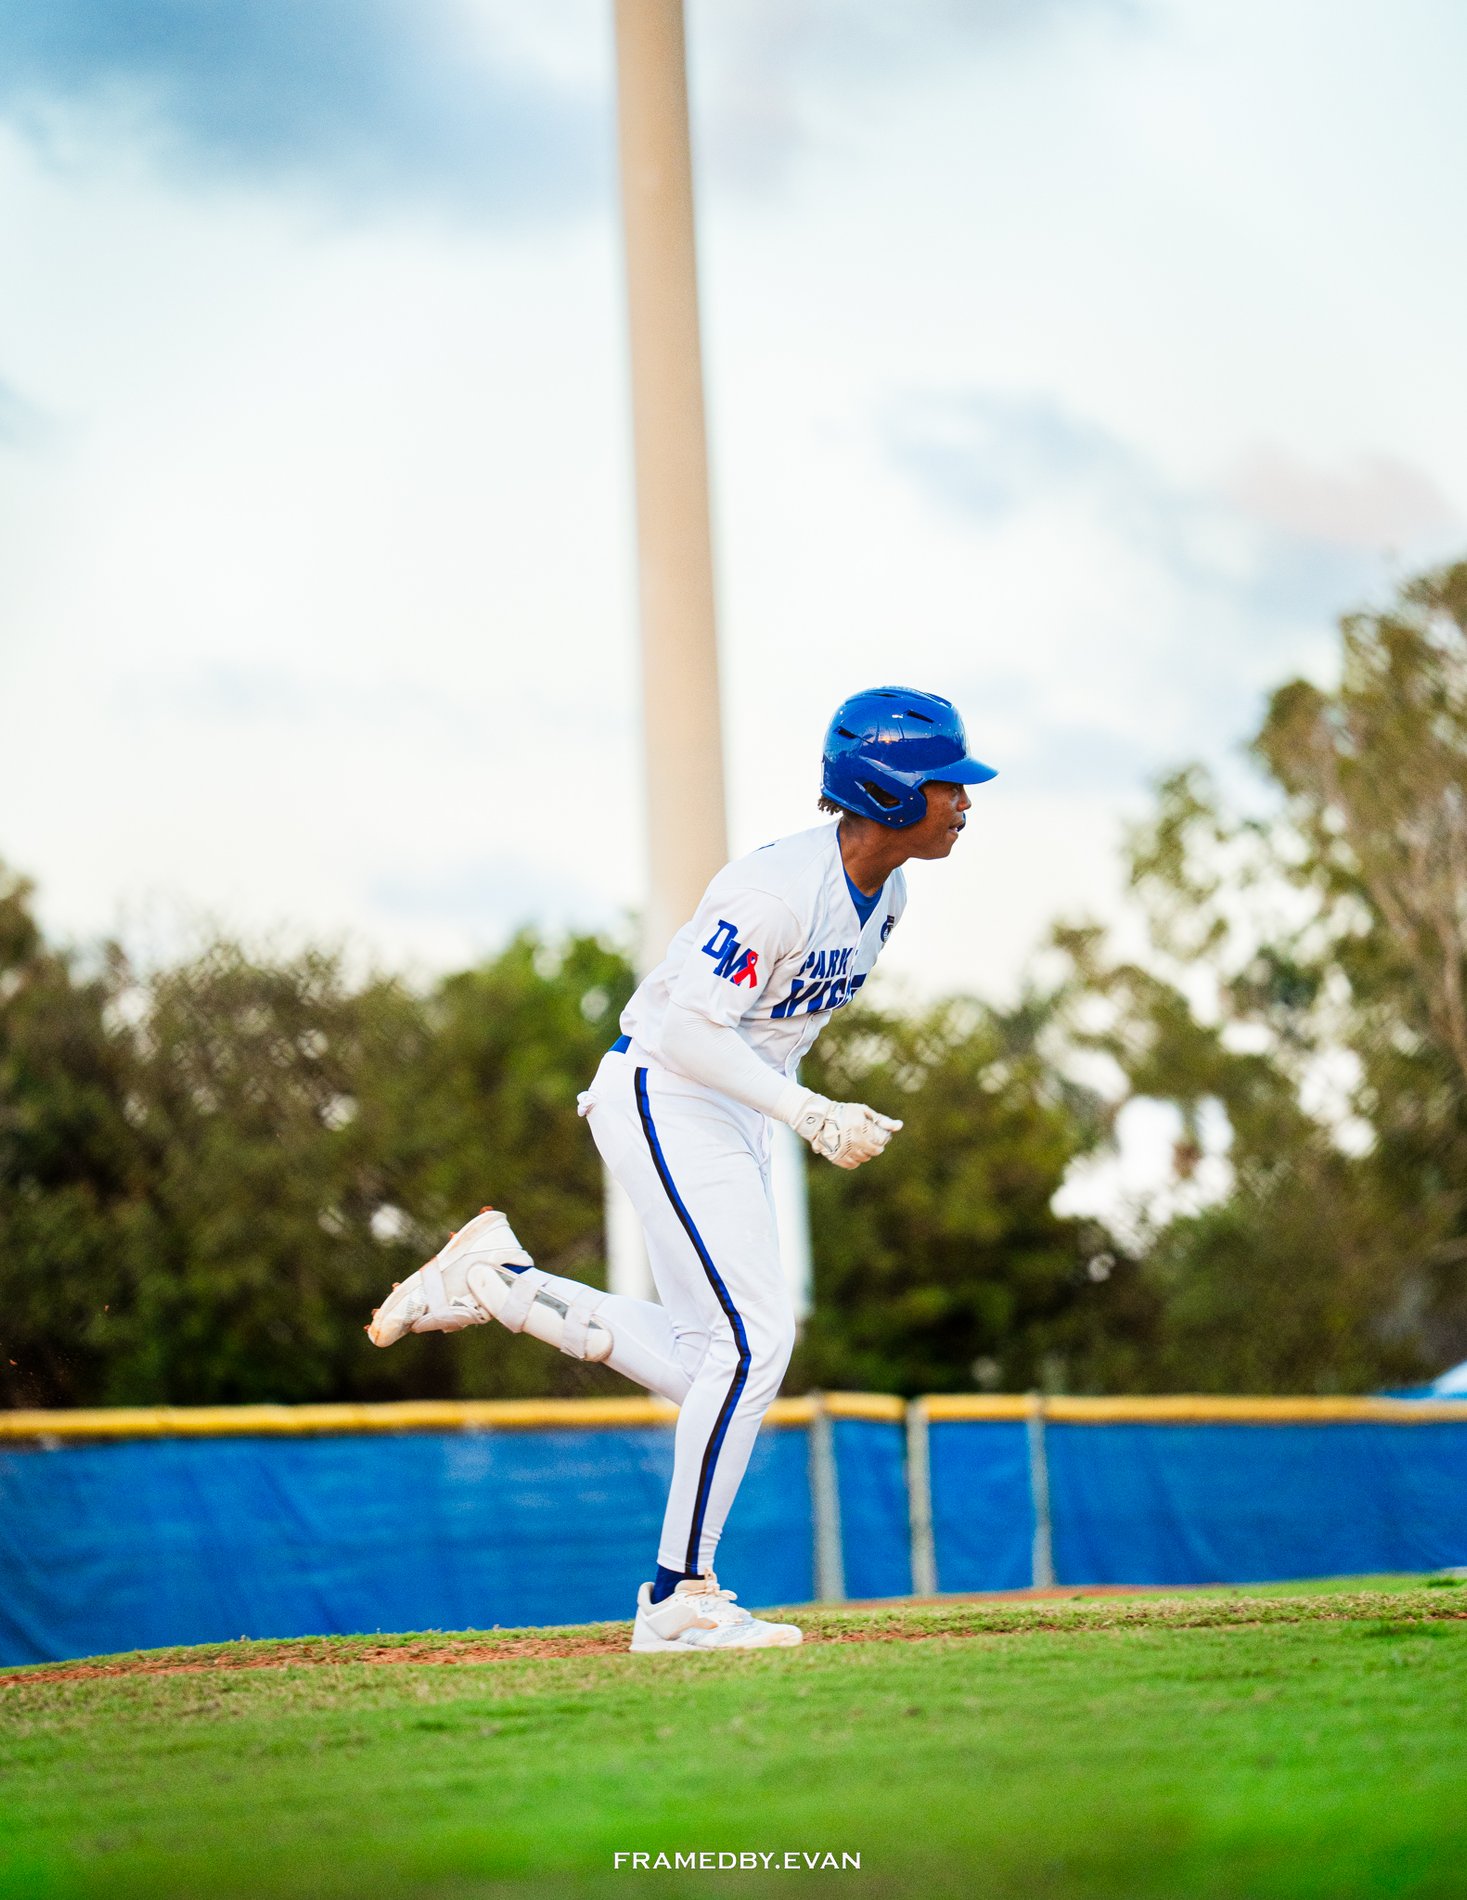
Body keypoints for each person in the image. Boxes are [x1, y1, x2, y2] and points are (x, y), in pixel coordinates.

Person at [367, 687, 995, 1652]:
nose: (962, 801)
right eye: (946, 783)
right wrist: (808, 1112)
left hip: (724, 1110)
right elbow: (687, 1031)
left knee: (722, 1357)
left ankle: (502, 1283)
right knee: (753, 1342)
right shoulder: (773, 892)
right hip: (665, 1090)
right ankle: (676, 1598)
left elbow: (764, 1035)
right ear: (887, 790)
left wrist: (786, 1110)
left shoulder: (890, 897)